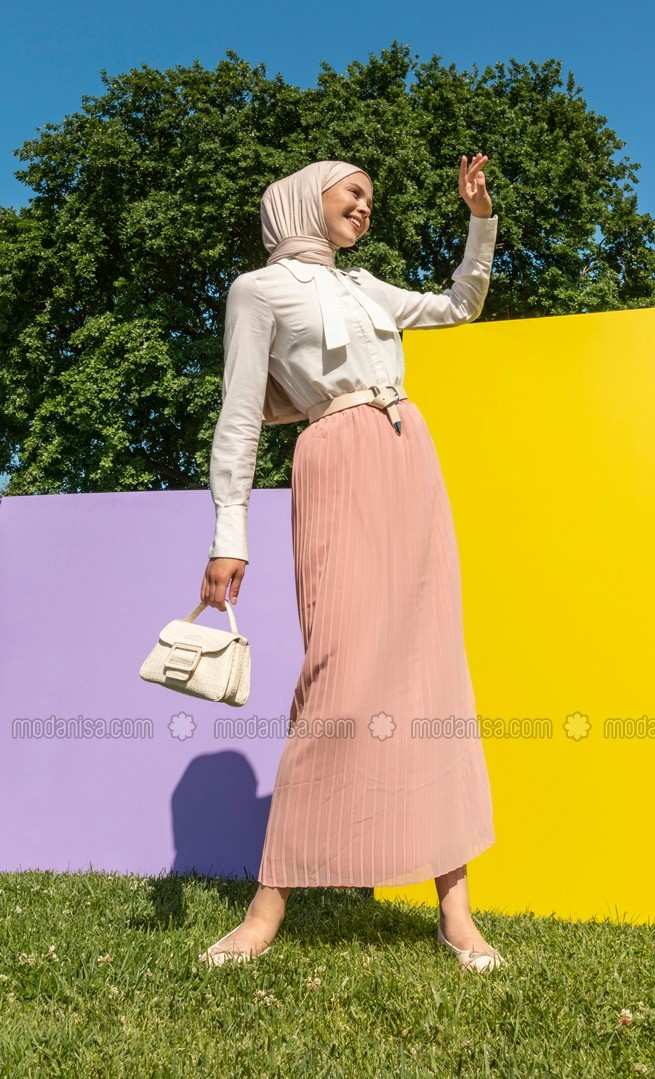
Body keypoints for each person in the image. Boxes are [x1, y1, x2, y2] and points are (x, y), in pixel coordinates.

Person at [198, 156, 506, 973]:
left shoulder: (367, 287)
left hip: (410, 457)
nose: (365, 206)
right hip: (334, 456)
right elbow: (239, 415)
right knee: (336, 673)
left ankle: (456, 910)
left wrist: (478, 219)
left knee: (433, 674)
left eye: (370, 197)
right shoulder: (258, 292)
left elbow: (459, 304)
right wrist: (230, 532)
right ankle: (268, 907)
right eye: (354, 192)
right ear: (309, 198)